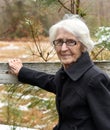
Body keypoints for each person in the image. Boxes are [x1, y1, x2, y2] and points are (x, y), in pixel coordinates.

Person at [8, 14, 110, 130]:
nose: (63, 48)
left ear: (83, 45)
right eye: (59, 42)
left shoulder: (94, 79)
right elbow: (49, 82)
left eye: (71, 42)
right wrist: (22, 72)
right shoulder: (66, 75)